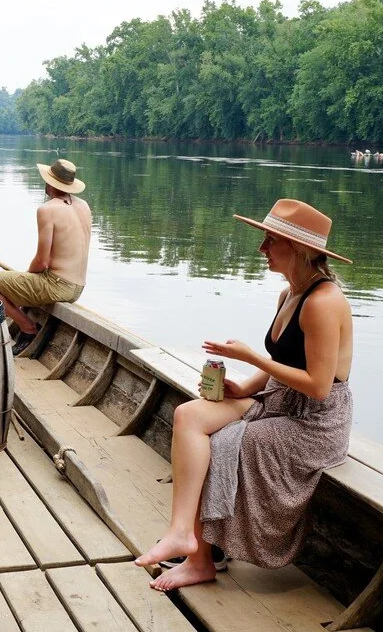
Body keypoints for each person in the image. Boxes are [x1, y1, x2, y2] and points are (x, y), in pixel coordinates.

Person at [134, 199, 354, 591]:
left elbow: (319, 386)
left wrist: (252, 358)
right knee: (189, 415)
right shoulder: (289, 294)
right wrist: (245, 387)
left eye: (270, 240)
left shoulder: (323, 302)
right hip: (279, 398)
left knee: (224, 440)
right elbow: (284, 360)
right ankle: (183, 534)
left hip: (315, 422)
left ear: (298, 248)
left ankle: (203, 557)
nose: (261, 248)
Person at [0, 159, 91, 353]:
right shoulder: (83, 206)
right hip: (77, 287)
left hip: (56, 285)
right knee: (9, 282)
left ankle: (27, 326)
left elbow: (42, 262)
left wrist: (26, 276)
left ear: (50, 182)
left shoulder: (47, 209)